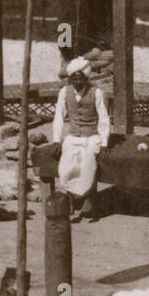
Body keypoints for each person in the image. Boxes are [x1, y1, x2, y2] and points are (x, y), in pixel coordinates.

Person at [53, 54, 110, 221]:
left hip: (92, 137)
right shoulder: (64, 92)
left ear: (86, 78)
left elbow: (104, 118)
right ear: (70, 79)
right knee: (67, 166)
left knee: (88, 164)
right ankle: (71, 199)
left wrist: (105, 141)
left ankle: (88, 202)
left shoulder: (97, 93)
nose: (78, 83)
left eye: (81, 79)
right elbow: (58, 117)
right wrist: (57, 139)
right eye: (74, 79)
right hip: (73, 136)